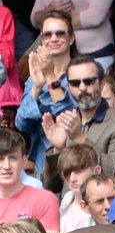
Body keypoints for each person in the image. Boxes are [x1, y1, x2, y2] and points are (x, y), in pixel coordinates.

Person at [41, 55, 115, 179]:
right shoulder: (66, 123)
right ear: (68, 87)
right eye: (75, 83)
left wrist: (79, 138)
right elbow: (53, 186)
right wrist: (58, 149)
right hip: (71, 198)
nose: (82, 88)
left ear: (102, 83)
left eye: (89, 81)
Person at [14, 10, 77, 176]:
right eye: (47, 34)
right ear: (42, 39)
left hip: (75, 156)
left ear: (71, 38)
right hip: (42, 162)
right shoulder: (35, 75)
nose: (54, 38)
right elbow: (21, 124)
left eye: (60, 33)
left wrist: (50, 77)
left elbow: (69, 120)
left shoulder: (82, 73)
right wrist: (36, 87)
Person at [0, 129, 58, 233]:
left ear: (24, 161)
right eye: (0, 159)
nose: (6, 166)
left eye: (13, 158)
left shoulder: (44, 200)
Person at [55, 142, 101, 233]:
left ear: (96, 171)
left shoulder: (105, 204)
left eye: (78, 171)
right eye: (67, 173)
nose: (72, 179)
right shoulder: (67, 200)